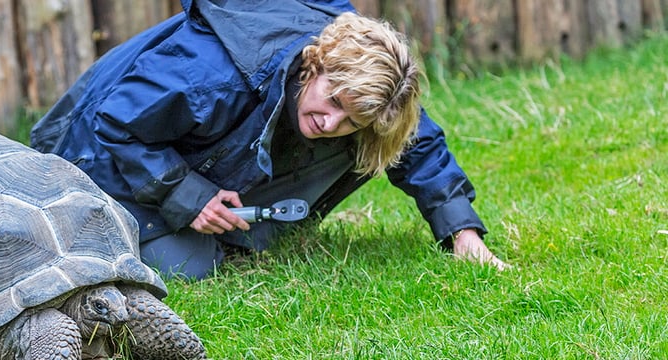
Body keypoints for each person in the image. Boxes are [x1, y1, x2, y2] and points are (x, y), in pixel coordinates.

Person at [30, 0, 509, 279]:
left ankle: (232, 223)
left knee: (377, 139)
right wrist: (187, 195)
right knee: (185, 267)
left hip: (194, 136)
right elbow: (116, 122)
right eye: (334, 102)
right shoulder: (211, 74)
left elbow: (416, 142)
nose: (331, 123)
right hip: (92, 147)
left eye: (350, 119)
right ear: (315, 64)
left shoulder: (364, 92)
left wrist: (461, 233)